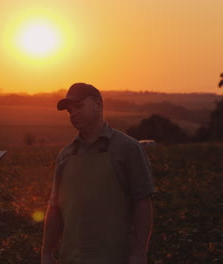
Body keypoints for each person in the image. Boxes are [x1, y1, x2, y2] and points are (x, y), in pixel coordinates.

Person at [41, 83, 155, 264]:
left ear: (98, 105)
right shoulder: (65, 155)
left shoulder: (128, 148)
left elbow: (142, 202)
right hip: (71, 258)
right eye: (70, 111)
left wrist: (139, 253)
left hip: (116, 258)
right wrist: (47, 252)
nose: (74, 114)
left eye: (79, 107)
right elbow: (55, 208)